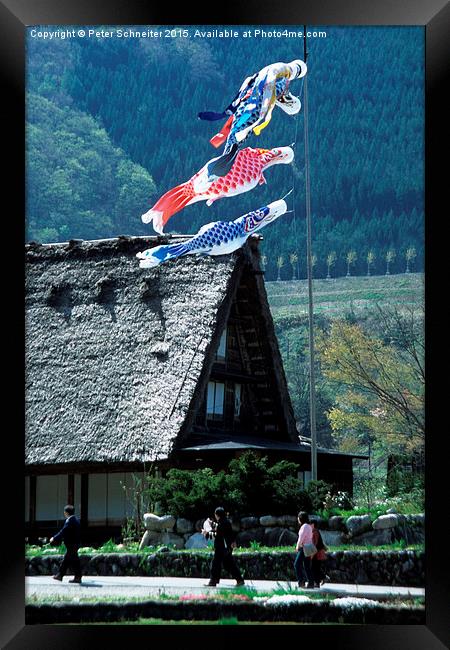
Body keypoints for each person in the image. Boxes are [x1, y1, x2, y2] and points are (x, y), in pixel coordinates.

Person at [198, 59, 307, 180]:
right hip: (254, 102)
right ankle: (218, 168)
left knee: (239, 132)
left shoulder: (280, 71)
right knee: (240, 131)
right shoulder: (281, 77)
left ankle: (220, 166)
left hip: (250, 98)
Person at [203, 507, 245, 587]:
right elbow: (226, 533)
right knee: (229, 564)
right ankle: (239, 580)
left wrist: (206, 533)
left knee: (215, 564)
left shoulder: (222, 523)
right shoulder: (226, 522)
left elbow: (217, 534)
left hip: (221, 548)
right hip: (227, 548)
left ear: (217, 515)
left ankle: (213, 581)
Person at [50, 504, 82, 583]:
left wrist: (54, 538)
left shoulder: (70, 521)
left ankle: (60, 575)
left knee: (66, 560)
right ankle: (77, 577)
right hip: (75, 544)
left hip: (72, 544)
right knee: (74, 560)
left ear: (66, 513)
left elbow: (63, 531)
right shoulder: (76, 520)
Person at [293, 511, 314, 589]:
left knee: (297, 564)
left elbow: (301, 538)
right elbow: (310, 537)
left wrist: (297, 546)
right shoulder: (308, 526)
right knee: (307, 566)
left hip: (303, 547)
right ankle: (311, 583)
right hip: (309, 547)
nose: (297, 519)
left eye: (298, 518)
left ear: (300, 518)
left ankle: (301, 582)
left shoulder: (304, 526)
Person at [310, 519, 330, 588]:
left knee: (314, 568)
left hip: (317, 553)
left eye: (310, 524)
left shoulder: (314, 532)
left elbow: (314, 543)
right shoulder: (316, 531)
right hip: (318, 552)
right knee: (315, 567)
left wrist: (312, 553)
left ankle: (318, 581)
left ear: (313, 524)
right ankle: (322, 579)